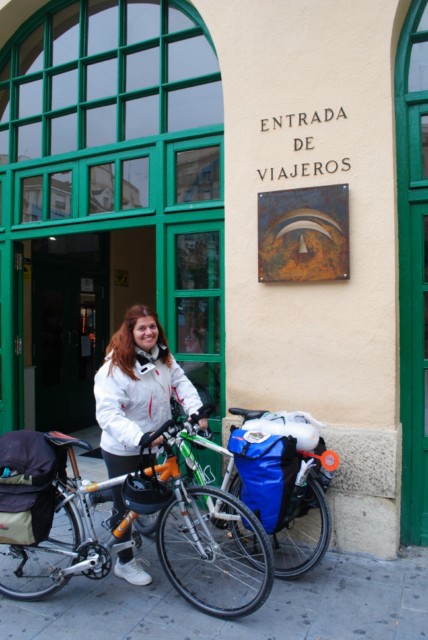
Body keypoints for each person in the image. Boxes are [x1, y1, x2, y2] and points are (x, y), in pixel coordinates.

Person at [94, 303, 207, 586]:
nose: (149, 332)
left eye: (152, 326)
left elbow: (181, 384)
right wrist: (139, 437)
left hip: (153, 442)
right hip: (124, 447)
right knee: (124, 505)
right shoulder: (115, 368)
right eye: (142, 328)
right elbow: (108, 414)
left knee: (141, 495)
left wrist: (196, 412)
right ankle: (124, 562)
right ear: (130, 331)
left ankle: (111, 503)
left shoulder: (162, 357)